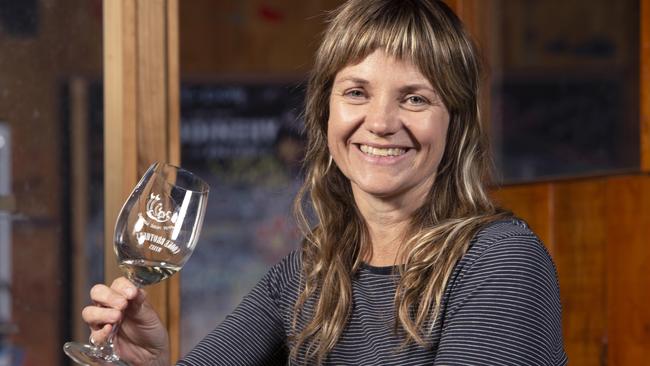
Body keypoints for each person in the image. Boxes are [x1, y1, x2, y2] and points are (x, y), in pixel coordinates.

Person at [82, 0, 568, 365]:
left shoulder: (500, 262)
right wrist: (149, 362)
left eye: (415, 99)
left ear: (455, 123)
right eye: (357, 92)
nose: (380, 122)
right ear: (326, 112)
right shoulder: (309, 271)